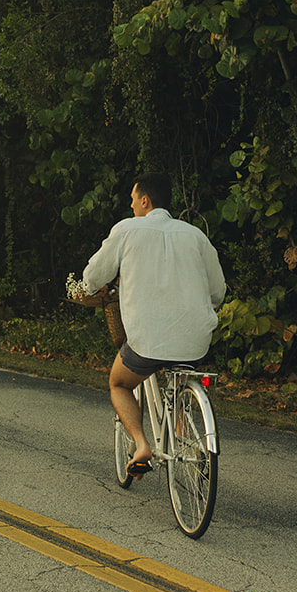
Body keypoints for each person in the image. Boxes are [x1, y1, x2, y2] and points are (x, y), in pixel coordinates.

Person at [82, 172, 226, 477]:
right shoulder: (195, 236)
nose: (131, 204)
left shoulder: (127, 230)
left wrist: (92, 287)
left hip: (147, 341)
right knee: (181, 377)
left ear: (145, 200)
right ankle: (184, 435)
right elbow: (218, 292)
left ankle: (142, 445)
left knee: (118, 384)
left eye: (133, 199)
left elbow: (93, 276)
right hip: (195, 340)